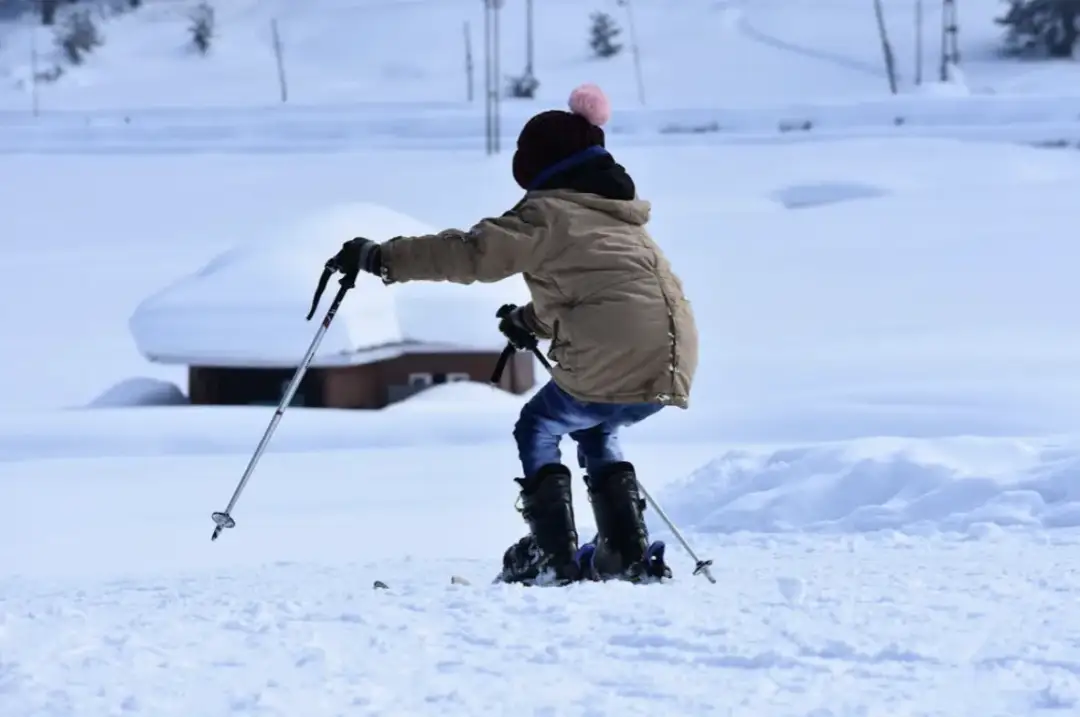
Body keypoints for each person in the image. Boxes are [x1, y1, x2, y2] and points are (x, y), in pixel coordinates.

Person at [328, 83, 698, 586]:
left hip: (612, 354)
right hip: (671, 362)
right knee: (596, 425)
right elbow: (597, 296)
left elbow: (472, 253)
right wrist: (531, 321)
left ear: (541, 167)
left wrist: (381, 257)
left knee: (539, 425)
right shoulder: (621, 221)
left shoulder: (547, 214)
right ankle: (626, 552)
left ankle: (555, 556)